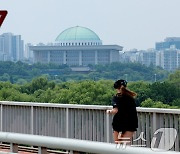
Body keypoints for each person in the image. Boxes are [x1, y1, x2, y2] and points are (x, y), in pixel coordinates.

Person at [106, 79, 138, 144]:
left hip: (118, 123)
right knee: (125, 146)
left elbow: (115, 110)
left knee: (118, 145)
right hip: (131, 123)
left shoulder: (117, 97)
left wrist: (109, 111)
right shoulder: (130, 97)